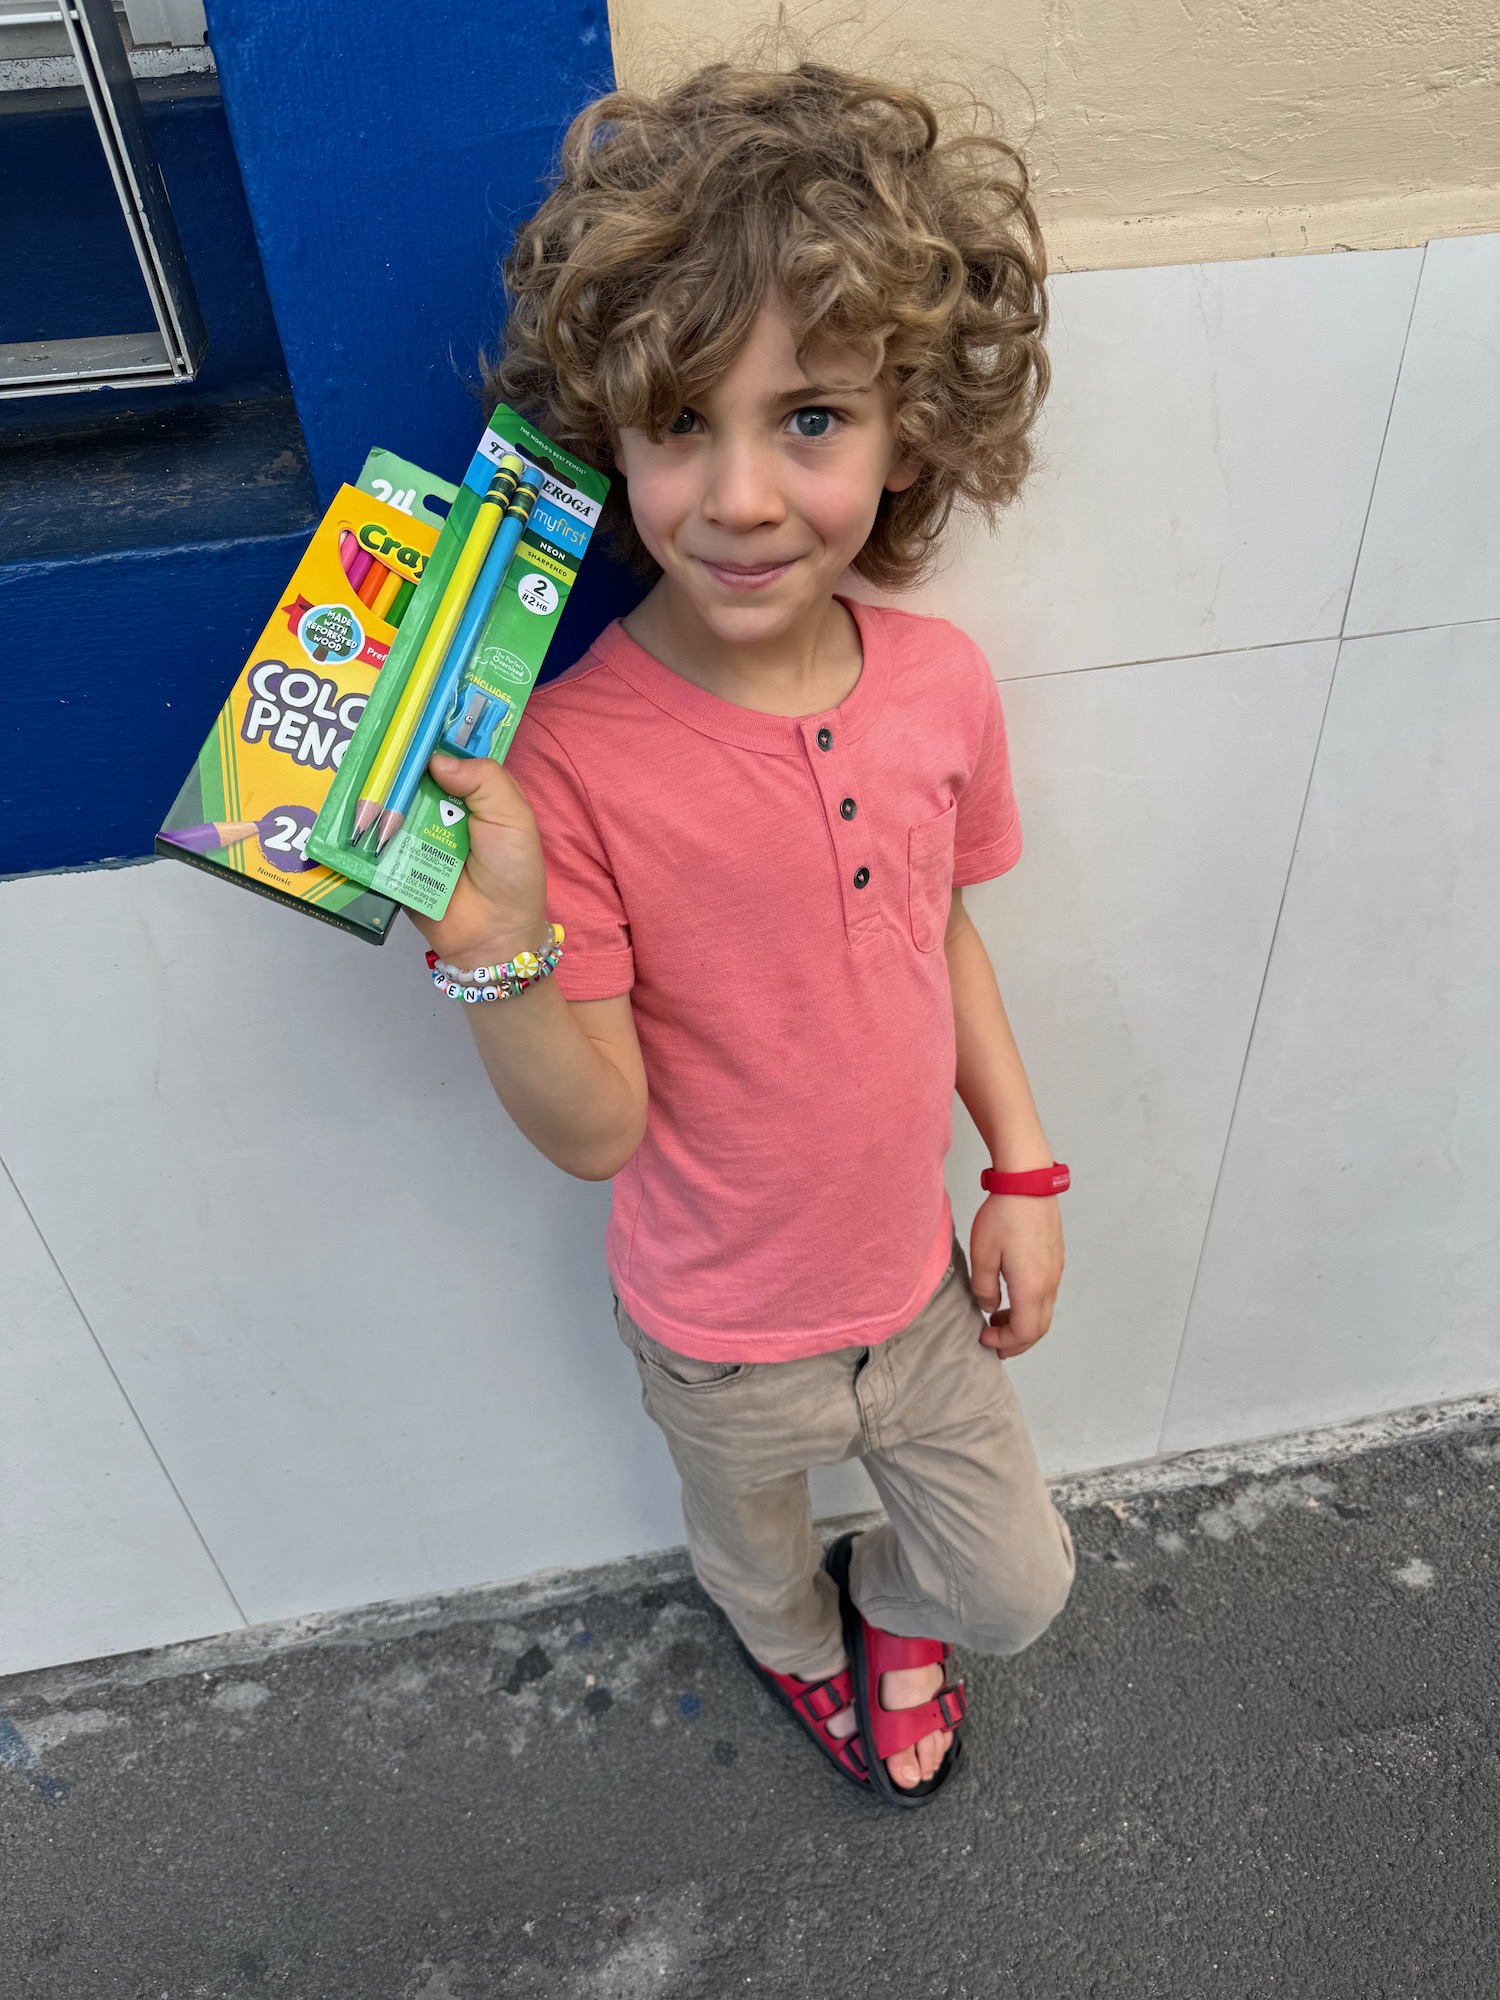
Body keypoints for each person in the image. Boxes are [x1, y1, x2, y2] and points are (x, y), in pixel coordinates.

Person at [416, 58, 1076, 1808]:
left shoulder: (938, 685)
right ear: (608, 437)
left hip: (919, 1294)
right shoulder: (568, 758)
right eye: (675, 426)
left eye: (809, 418)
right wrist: (489, 939)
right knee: (751, 1560)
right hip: (719, 1331)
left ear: (909, 424)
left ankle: (900, 1604)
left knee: (1021, 1585)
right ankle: (797, 1649)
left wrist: (1019, 1167)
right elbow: (596, 1131)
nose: (740, 498)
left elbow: (940, 940)